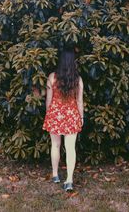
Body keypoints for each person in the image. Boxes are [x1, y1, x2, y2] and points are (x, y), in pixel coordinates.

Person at [42, 48, 84, 192]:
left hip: (55, 114)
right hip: (72, 115)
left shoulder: (52, 77)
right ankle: (69, 181)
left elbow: (49, 100)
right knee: (70, 148)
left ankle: (55, 175)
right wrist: (81, 117)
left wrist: (49, 114)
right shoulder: (78, 80)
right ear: (73, 62)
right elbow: (79, 101)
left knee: (55, 145)